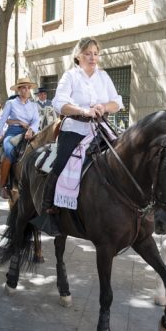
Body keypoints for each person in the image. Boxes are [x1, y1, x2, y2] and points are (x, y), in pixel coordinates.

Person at [33, 37, 123, 235]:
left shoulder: (103, 76)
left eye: (96, 54)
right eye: (88, 53)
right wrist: (83, 111)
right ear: (78, 56)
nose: (93, 58)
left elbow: (117, 102)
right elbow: (59, 104)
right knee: (60, 163)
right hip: (74, 128)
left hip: (100, 128)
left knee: (121, 158)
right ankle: (48, 211)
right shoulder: (70, 76)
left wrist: (103, 107)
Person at [0, 77, 40, 198]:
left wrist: (31, 130)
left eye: (28, 88)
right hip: (13, 132)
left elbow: (36, 121)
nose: (26, 90)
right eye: (23, 88)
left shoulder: (33, 105)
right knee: (10, 151)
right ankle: (2, 185)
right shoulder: (11, 103)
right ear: (18, 90)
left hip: (29, 133)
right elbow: (2, 119)